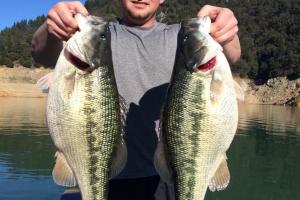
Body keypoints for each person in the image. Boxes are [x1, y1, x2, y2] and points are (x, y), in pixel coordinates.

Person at [32, 1, 241, 200]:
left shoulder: (182, 36)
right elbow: (41, 53)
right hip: (107, 174)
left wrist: (226, 29)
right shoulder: (101, 34)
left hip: (168, 172)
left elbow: (233, 55)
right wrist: (53, 29)